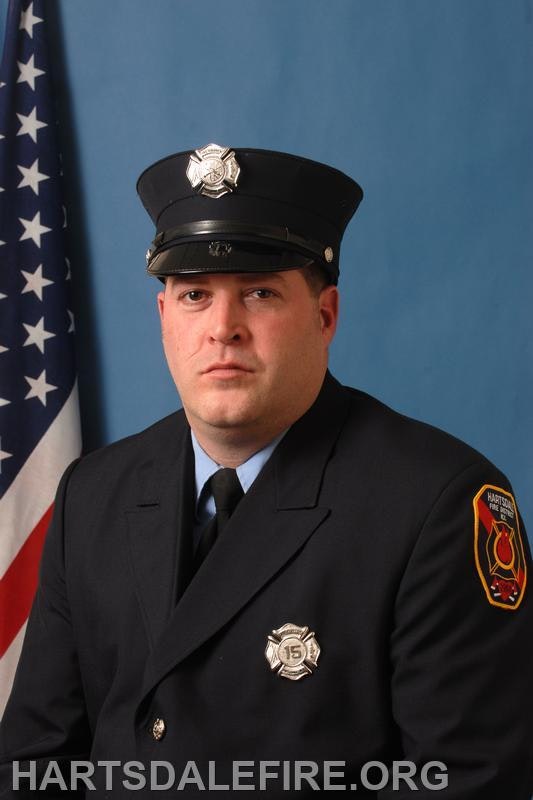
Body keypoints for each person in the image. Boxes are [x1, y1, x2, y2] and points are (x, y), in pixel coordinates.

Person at [0, 144, 531, 798]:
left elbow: (466, 784)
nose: (223, 329)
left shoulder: (435, 506)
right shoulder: (94, 493)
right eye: (194, 295)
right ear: (164, 319)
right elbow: (32, 763)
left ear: (324, 315)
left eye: (258, 292)